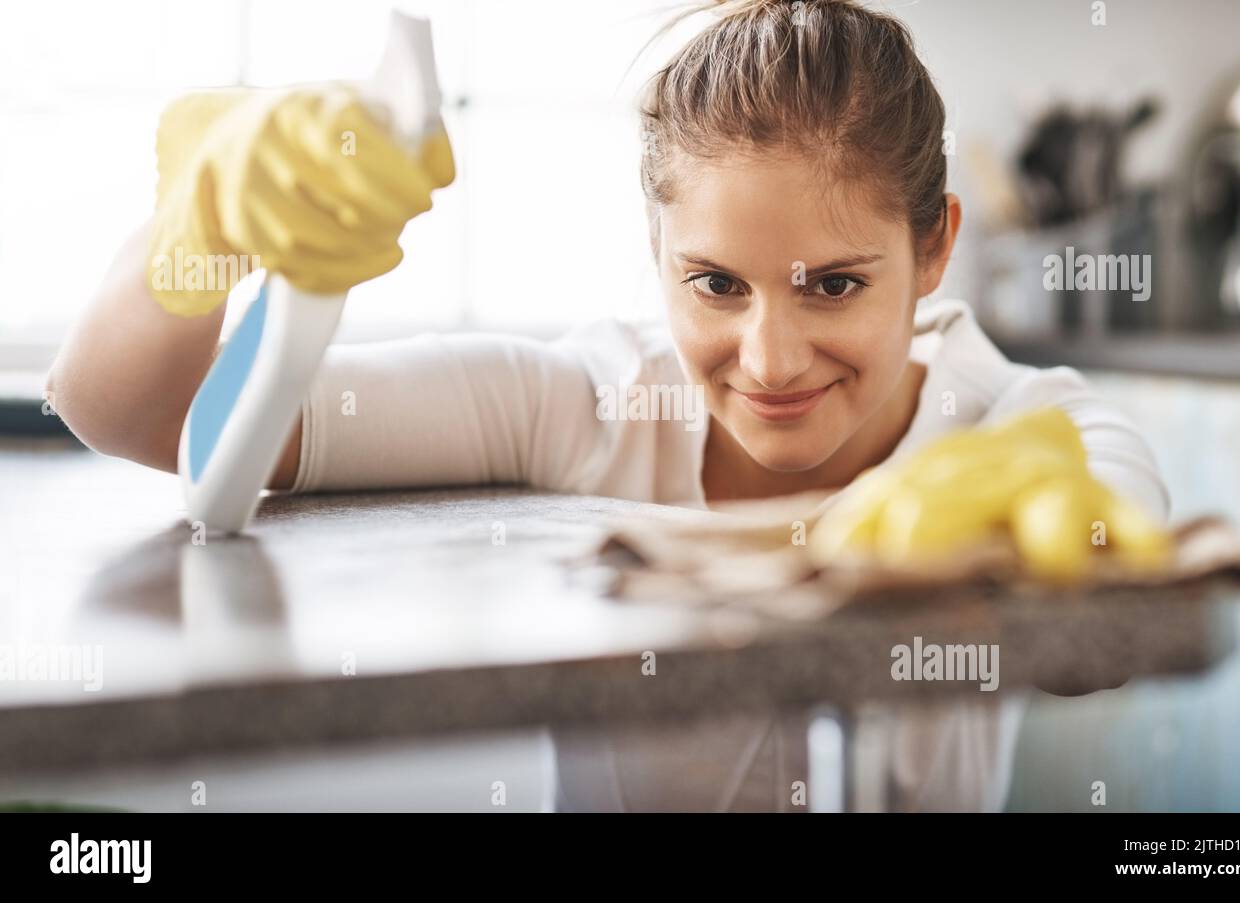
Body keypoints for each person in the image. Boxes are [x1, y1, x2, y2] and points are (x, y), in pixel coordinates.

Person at [47, 0, 1168, 811]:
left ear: (933, 251)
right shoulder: (584, 404)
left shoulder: (1032, 427)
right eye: (715, 284)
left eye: (833, 285)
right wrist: (200, 228)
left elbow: (1112, 642)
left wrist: (1054, 540)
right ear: (656, 251)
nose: (770, 360)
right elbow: (137, 413)